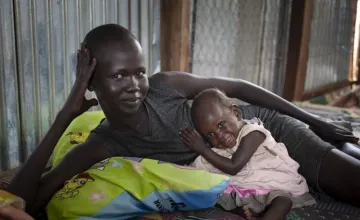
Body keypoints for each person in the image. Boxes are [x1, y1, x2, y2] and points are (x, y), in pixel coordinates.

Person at [5, 24, 360, 217]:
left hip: (267, 135)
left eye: (139, 72)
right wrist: (65, 115)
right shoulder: (104, 142)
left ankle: (335, 143)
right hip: (246, 170)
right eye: (118, 76)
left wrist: (316, 120)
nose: (134, 87)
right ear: (91, 83)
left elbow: (238, 87)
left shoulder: (164, 87)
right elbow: (23, 200)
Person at [180, 88, 315, 220]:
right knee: (214, 193)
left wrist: (202, 149)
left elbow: (234, 167)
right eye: (210, 134)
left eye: (221, 124)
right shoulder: (218, 151)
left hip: (274, 186)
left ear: (236, 113)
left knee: (282, 201)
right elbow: (197, 170)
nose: (219, 135)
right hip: (248, 190)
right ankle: (246, 210)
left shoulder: (253, 133)